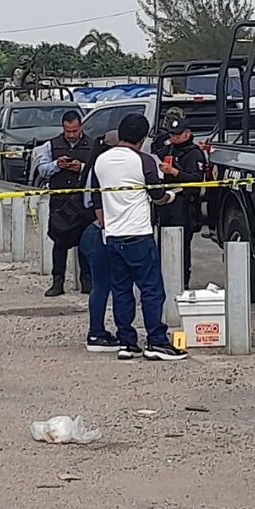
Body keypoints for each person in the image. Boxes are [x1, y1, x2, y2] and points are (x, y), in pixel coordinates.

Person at [91, 113, 188, 362]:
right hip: (139, 234)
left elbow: (97, 199)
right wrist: (173, 196)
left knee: (121, 291)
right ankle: (156, 340)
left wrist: (106, 224)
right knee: (152, 290)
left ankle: (127, 342)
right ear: (143, 138)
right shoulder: (143, 161)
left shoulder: (100, 161)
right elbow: (157, 196)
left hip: (113, 236)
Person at [77, 131, 126, 352]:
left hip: (92, 231)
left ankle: (98, 331)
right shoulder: (104, 168)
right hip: (101, 231)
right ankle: (96, 333)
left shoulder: (94, 164)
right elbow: (95, 202)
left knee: (101, 285)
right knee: (105, 285)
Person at [36, 109, 94, 297]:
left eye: (75, 130)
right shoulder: (50, 146)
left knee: (86, 242)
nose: (71, 135)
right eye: (68, 131)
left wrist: (82, 168)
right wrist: (56, 165)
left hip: (83, 200)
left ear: (81, 127)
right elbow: (42, 170)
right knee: (59, 242)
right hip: (60, 201)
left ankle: (87, 281)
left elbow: (97, 170)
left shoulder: (92, 145)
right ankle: (57, 282)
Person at [154, 116, 207, 289]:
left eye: (177, 134)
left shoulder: (194, 153)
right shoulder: (169, 150)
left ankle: (182, 283)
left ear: (187, 133)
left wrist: (175, 172)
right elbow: (156, 151)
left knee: (182, 249)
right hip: (167, 204)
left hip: (185, 206)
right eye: (172, 134)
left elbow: (196, 180)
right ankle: (165, 281)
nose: (174, 138)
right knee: (163, 246)